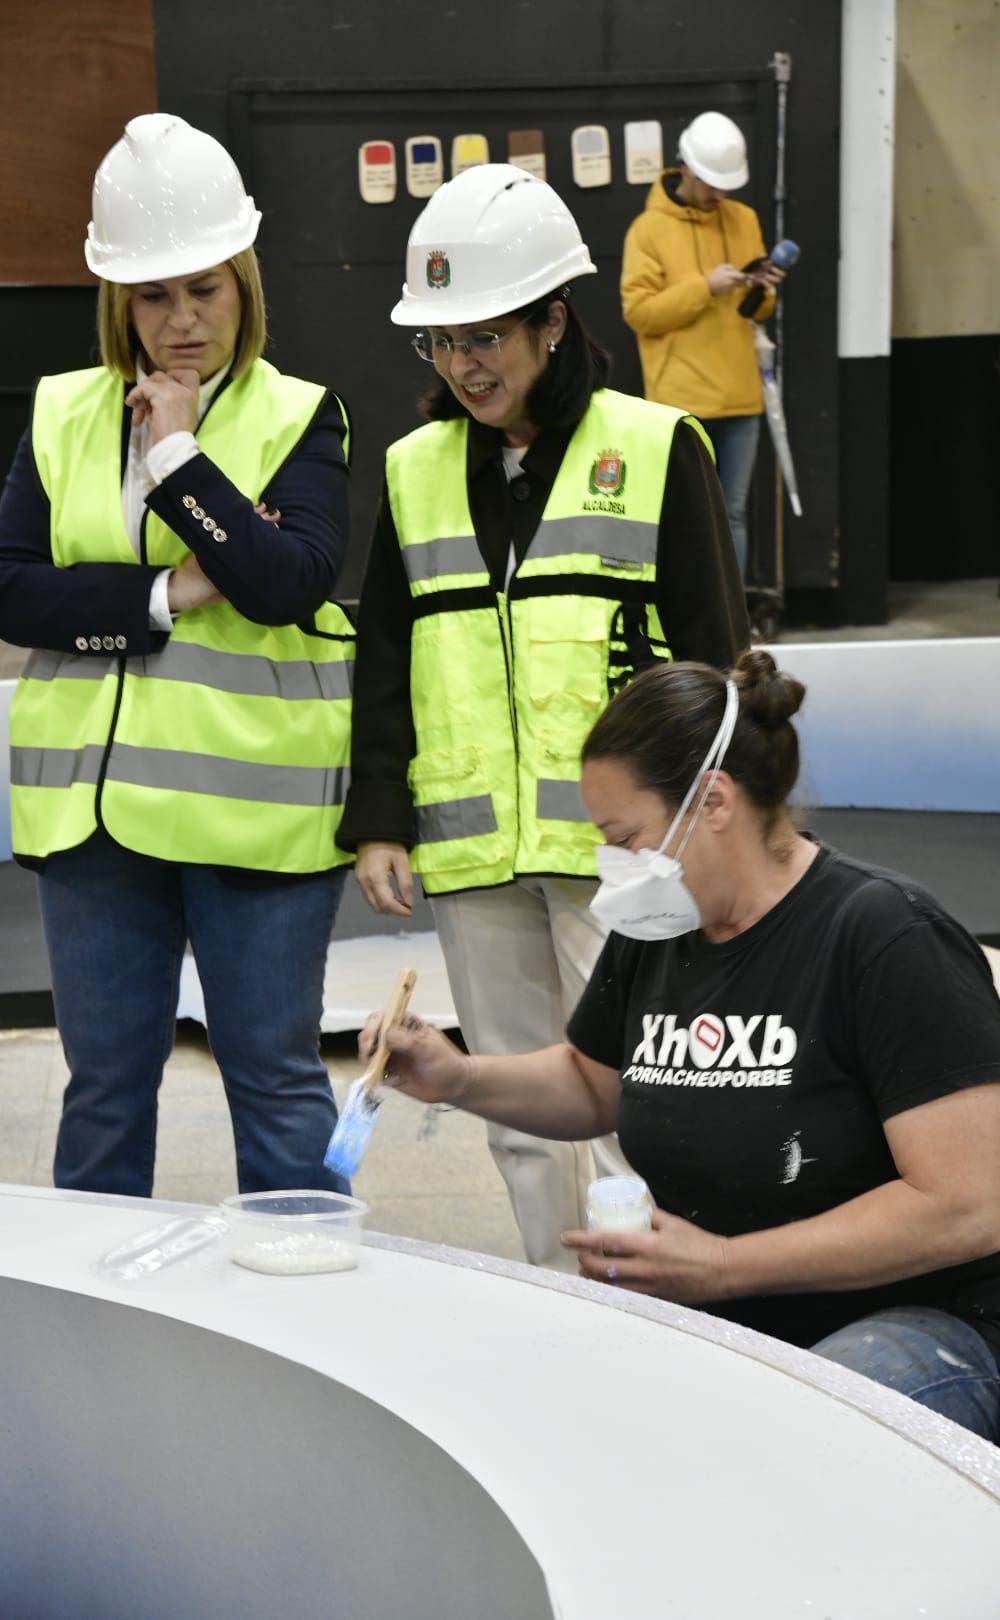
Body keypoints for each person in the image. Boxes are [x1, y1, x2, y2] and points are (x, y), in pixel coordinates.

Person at [358, 650, 1000, 1442]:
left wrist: (728, 1266)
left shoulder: (884, 936)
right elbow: (594, 1084)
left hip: (923, 1322)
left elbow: (969, 1204)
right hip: (728, 1315)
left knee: (780, 1446)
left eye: (624, 837)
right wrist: (457, 1076)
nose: (614, 869)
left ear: (715, 801)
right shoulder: (663, 930)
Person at [337, 163, 748, 1270]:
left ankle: (661, 1322)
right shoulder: (412, 470)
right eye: (443, 342)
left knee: (638, 1115)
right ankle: (554, 1308)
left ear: (553, 323)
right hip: (476, 856)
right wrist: (380, 817)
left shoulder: (659, 450)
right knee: (520, 1122)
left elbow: (720, 664)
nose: (465, 365)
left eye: (487, 336)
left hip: (630, 862)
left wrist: (719, 832)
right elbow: (384, 653)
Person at [0, 113, 356, 1198]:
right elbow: (8, 590)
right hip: (92, 825)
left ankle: (313, 1309)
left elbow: (287, 586)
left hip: (254, 822)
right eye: (155, 296)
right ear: (118, 302)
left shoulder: (301, 416)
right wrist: (159, 592)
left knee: (276, 1080)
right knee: (102, 1089)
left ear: (245, 283)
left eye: (207, 290)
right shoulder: (59, 413)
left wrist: (180, 456)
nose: (183, 321)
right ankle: (91, 1343)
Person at [620, 111, 783, 582]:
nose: (719, 194)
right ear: (686, 169)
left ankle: (735, 631)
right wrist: (705, 287)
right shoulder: (647, 230)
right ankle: (686, 627)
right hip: (680, 402)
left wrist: (761, 288)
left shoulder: (744, 219)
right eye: (711, 182)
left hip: (741, 396)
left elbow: (758, 312)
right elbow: (640, 314)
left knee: (732, 516)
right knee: (684, 518)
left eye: (726, 184)